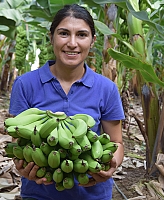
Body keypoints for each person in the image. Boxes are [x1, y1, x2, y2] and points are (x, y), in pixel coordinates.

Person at [9, 4, 125, 200]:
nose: (72, 43)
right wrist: (22, 165)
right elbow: (18, 138)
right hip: (39, 193)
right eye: (63, 33)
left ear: (92, 41)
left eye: (81, 35)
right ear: (51, 37)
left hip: (92, 193)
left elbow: (116, 142)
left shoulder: (106, 88)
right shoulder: (25, 84)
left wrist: (110, 164)